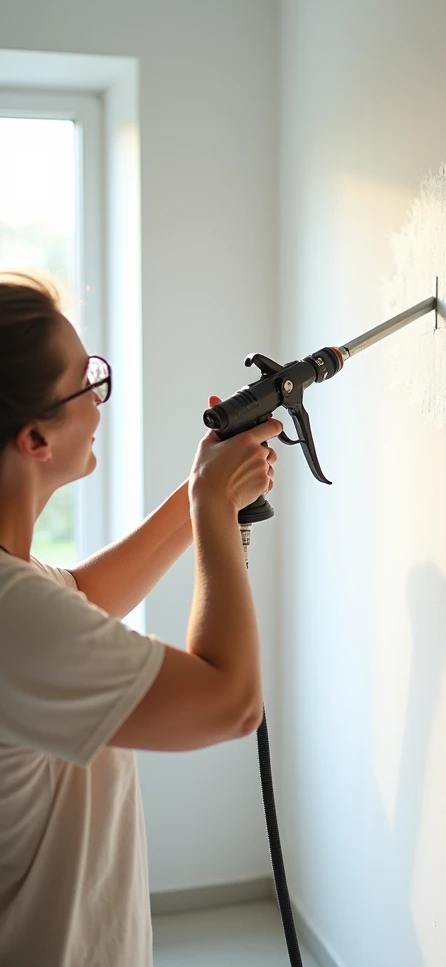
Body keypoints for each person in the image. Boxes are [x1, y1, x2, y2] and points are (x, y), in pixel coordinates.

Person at [0, 270, 282, 967]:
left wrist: (199, 490)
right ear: (35, 437)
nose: (100, 402)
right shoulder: (13, 615)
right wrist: (215, 514)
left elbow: (83, 600)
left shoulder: (18, 589)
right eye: (87, 384)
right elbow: (231, 703)